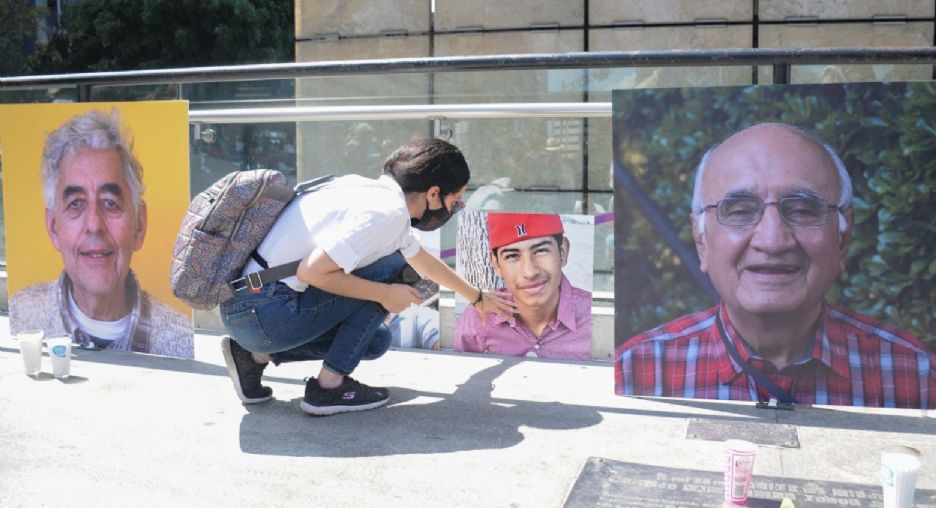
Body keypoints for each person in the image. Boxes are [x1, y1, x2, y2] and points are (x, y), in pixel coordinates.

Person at [614, 123, 936, 409]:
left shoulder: (914, 375)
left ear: (842, 239)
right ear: (701, 241)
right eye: (739, 210)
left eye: (801, 209)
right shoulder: (634, 371)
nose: (772, 240)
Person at [219, 138, 516, 416]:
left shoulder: (364, 190)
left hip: (247, 310)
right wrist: (384, 294)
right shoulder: (386, 214)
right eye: (457, 202)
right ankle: (328, 387)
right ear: (434, 193)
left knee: (375, 341)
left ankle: (253, 356)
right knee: (392, 268)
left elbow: (424, 262)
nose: (454, 209)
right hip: (266, 312)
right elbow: (311, 271)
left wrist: (476, 298)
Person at [10, 109, 194, 359]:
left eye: (110, 202)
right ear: (53, 227)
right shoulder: (21, 318)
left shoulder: (181, 340)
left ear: (139, 225)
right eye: (75, 203)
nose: (94, 224)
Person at [455, 212, 593, 360]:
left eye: (541, 251)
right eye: (512, 256)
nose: (530, 272)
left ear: (563, 252)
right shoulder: (481, 315)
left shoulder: (591, 315)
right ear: (496, 264)